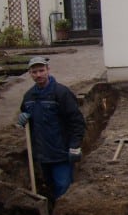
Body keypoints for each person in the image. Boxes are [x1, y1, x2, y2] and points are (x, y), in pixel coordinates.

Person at [18, 56, 85, 200]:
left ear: (48, 70)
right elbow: (29, 121)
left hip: (61, 153)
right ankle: (52, 211)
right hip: (42, 155)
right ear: (29, 73)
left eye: (41, 70)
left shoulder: (61, 93)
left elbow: (77, 121)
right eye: (34, 72)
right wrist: (23, 119)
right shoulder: (28, 97)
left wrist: (75, 145)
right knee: (50, 187)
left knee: (63, 188)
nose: (38, 75)